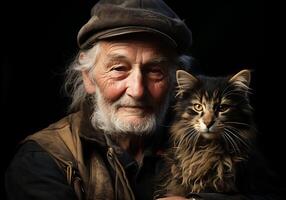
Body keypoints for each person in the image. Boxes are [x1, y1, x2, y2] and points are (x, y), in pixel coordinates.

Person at [4, 0, 283, 200]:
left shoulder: (204, 138)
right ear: (89, 77)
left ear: (175, 81)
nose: (137, 90)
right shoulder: (43, 159)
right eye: (118, 69)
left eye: (155, 70)